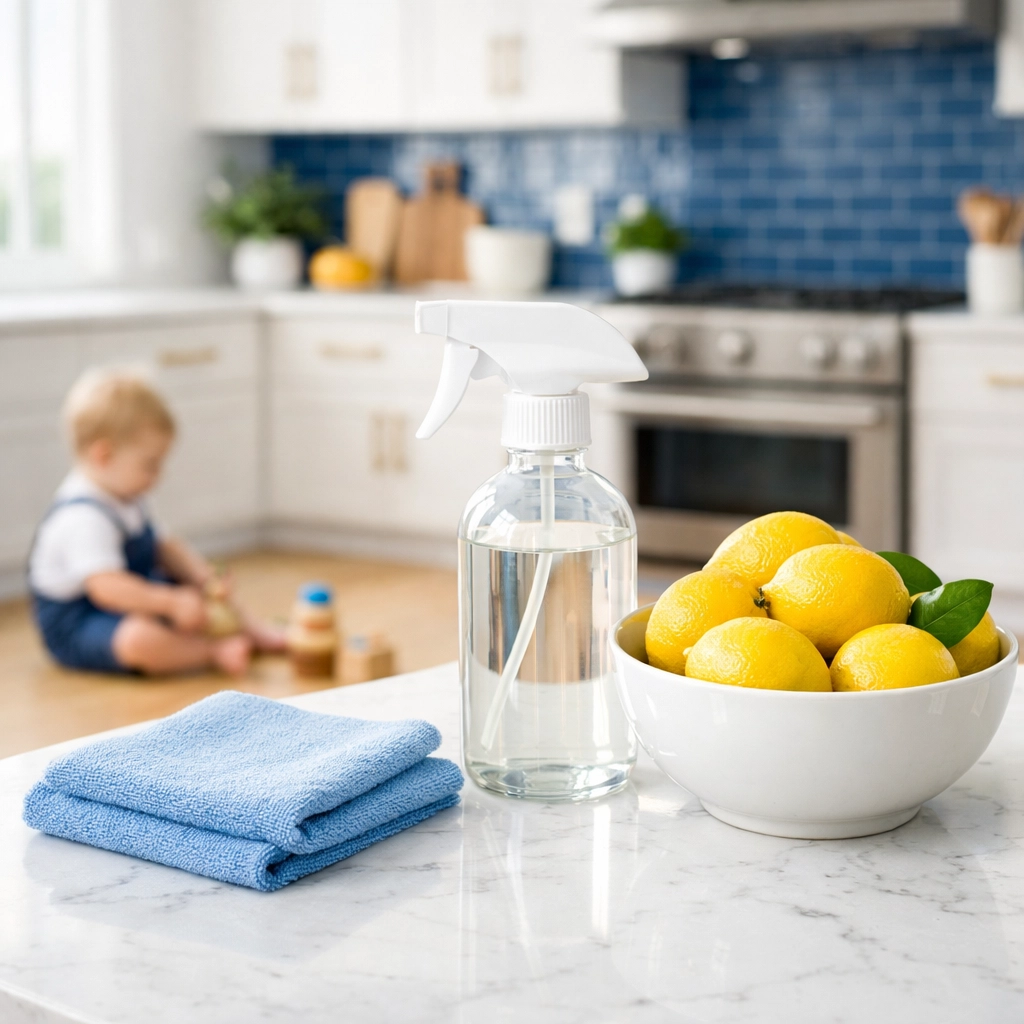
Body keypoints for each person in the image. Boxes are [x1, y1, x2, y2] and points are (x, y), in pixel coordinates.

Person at [28, 368, 283, 676]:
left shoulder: (125, 494)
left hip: (130, 595)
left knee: (197, 589)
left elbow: (165, 546)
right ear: (103, 455)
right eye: (149, 465)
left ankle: (255, 632)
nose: (157, 477)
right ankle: (210, 652)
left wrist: (204, 579)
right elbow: (107, 589)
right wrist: (170, 604)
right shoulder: (82, 517)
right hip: (80, 619)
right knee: (138, 639)